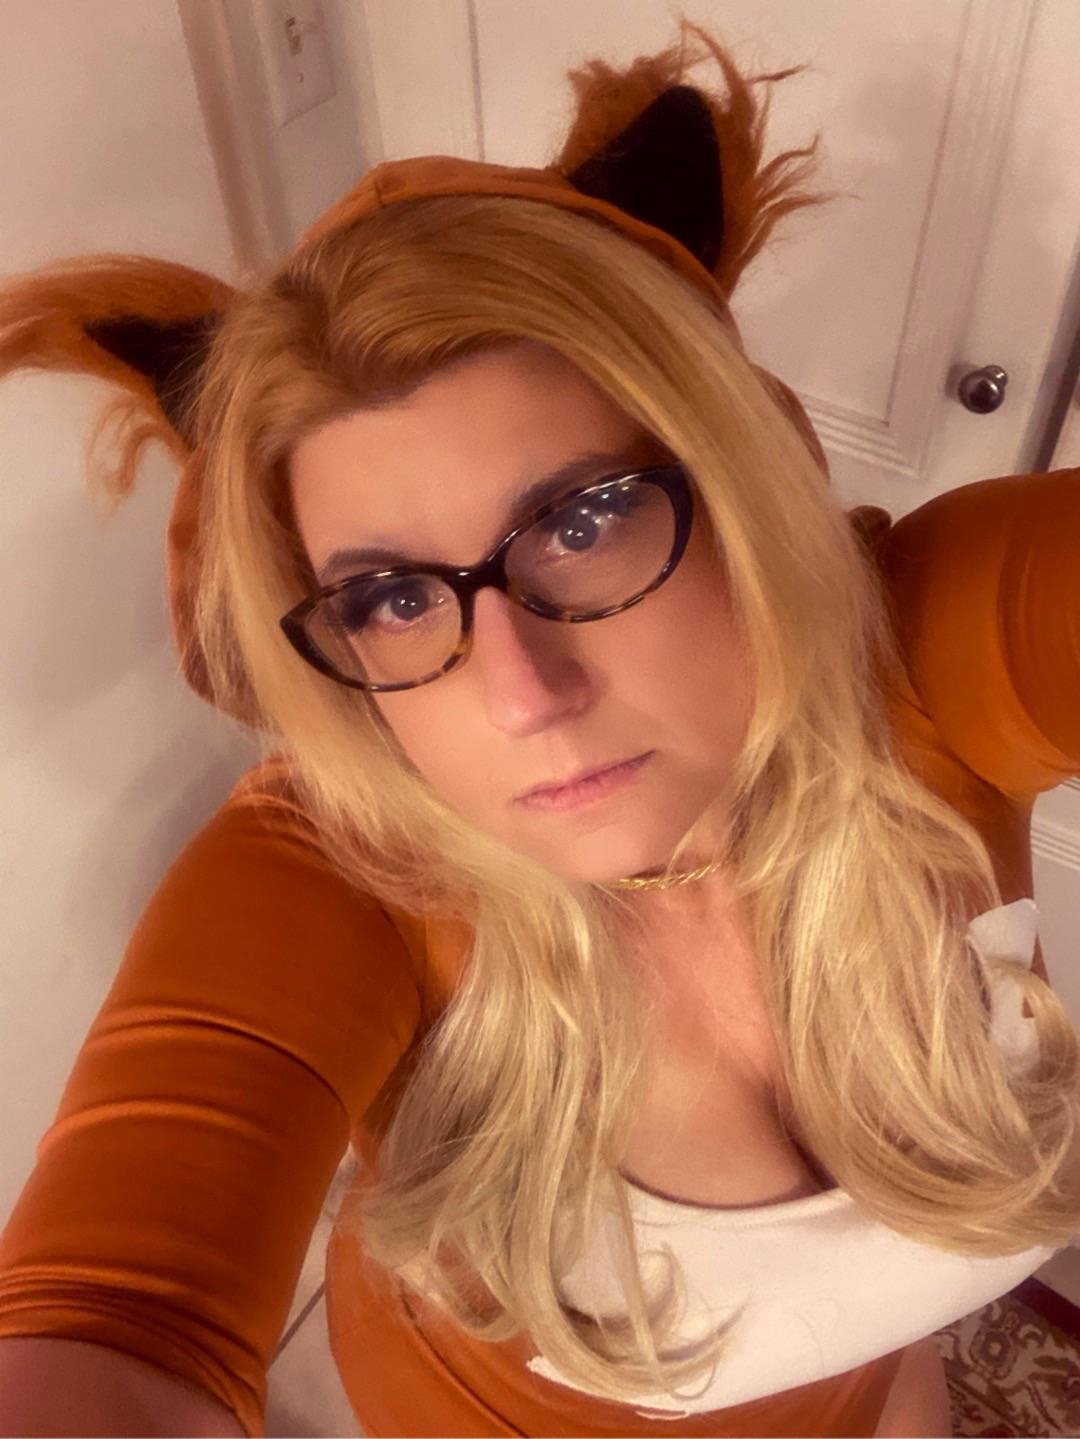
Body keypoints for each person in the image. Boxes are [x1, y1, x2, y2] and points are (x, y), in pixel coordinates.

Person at [1, 17, 1078, 1438]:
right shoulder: (340, 870)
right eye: (391, 598)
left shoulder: (922, 652)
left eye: (582, 520)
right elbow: (115, 1316)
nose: (521, 694)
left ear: (744, 482)